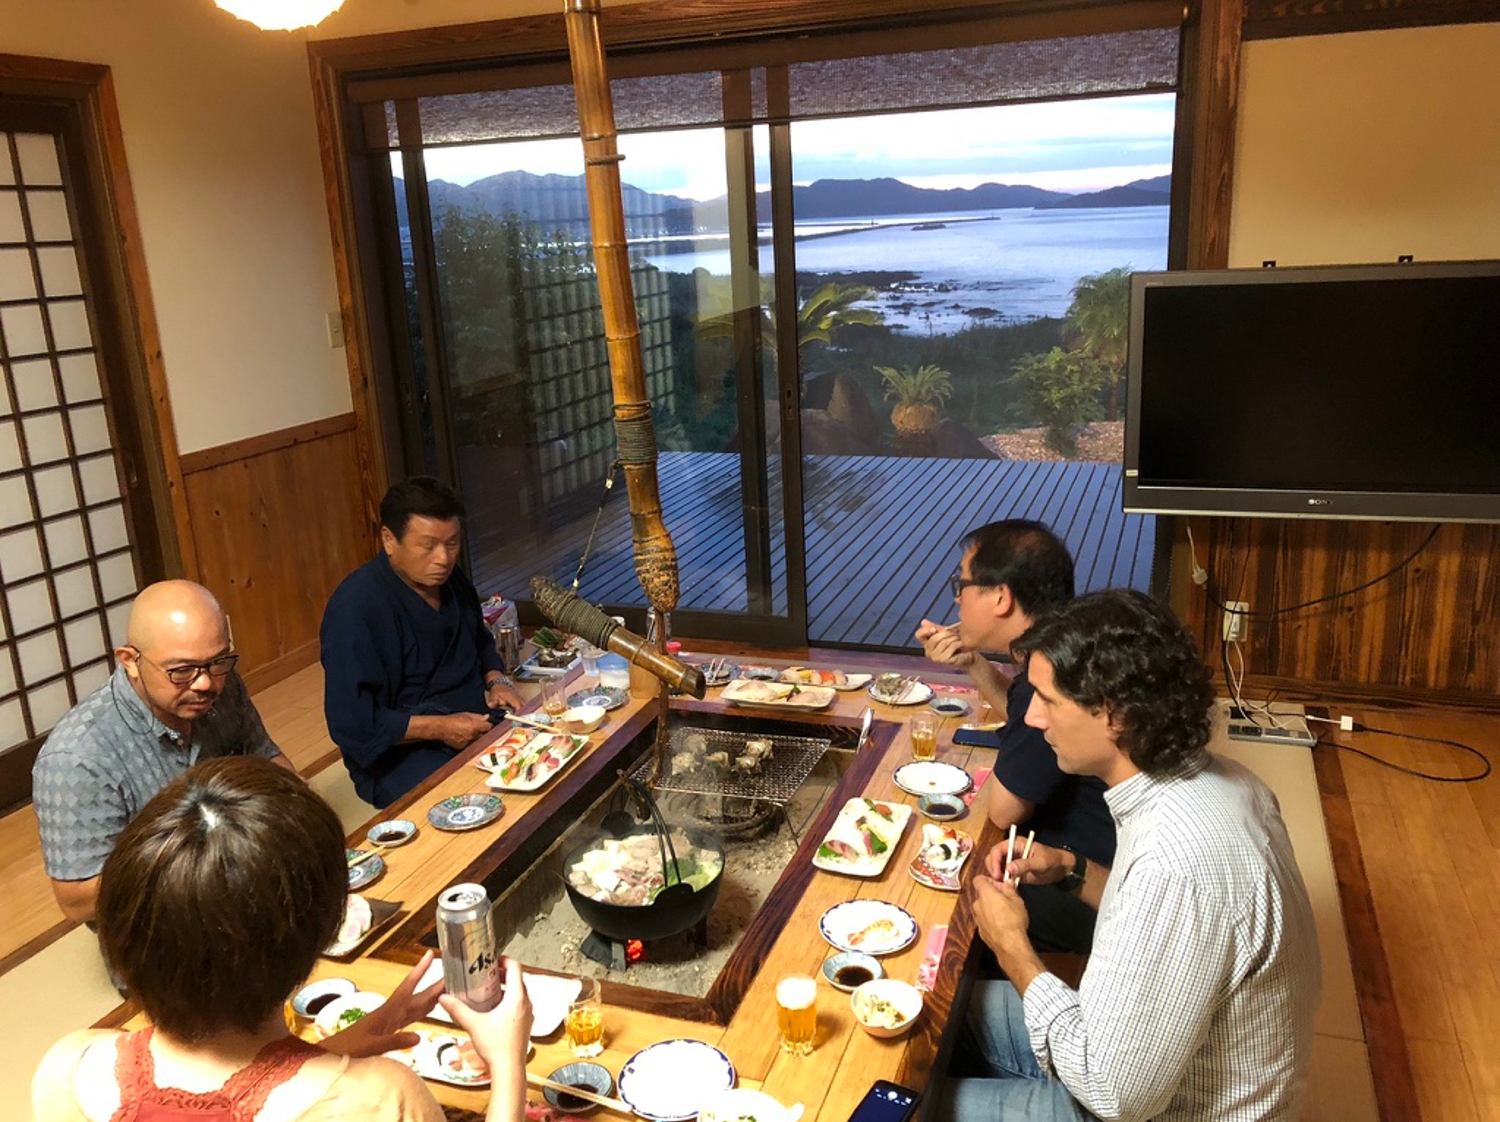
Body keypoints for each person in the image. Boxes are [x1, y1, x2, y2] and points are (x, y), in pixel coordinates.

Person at [945, 589, 1320, 1122]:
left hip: (1150, 1105)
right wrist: (1071, 870)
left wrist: (1013, 948)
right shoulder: (1222, 783)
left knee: (910, 1104)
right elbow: (1158, 919)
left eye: (1047, 700)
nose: (1031, 717)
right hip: (1142, 1059)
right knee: (936, 1013)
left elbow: (1116, 1096)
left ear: (1115, 715)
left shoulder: (1177, 861)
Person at [31, 756, 531, 1122]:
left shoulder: (69, 1067)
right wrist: (508, 1062)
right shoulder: (380, 1100)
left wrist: (329, 1052)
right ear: (321, 932)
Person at [32, 580, 294, 923]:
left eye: (218, 661)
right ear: (130, 661)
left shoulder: (222, 686)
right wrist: (209, 861)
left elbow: (267, 758)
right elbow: (77, 899)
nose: (204, 683)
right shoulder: (77, 758)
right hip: (162, 923)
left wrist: (300, 806)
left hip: (246, 877)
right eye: (181, 671)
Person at [913, 520, 1112, 953]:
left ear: (1001, 597)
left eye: (962, 584)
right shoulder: (1062, 648)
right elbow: (1030, 719)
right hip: (1095, 864)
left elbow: (1004, 810)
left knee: (936, 887)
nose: (957, 599)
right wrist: (972, 662)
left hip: (1089, 892)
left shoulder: (1050, 673)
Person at [321, 476, 524, 807]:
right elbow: (352, 722)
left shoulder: (451, 580)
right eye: (428, 546)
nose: (443, 558)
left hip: (475, 721)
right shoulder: (355, 607)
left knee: (546, 755)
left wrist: (497, 680)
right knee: (478, 805)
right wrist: (440, 728)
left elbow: (479, 638)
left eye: (452, 543)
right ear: (389, 539)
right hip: (402, 754)